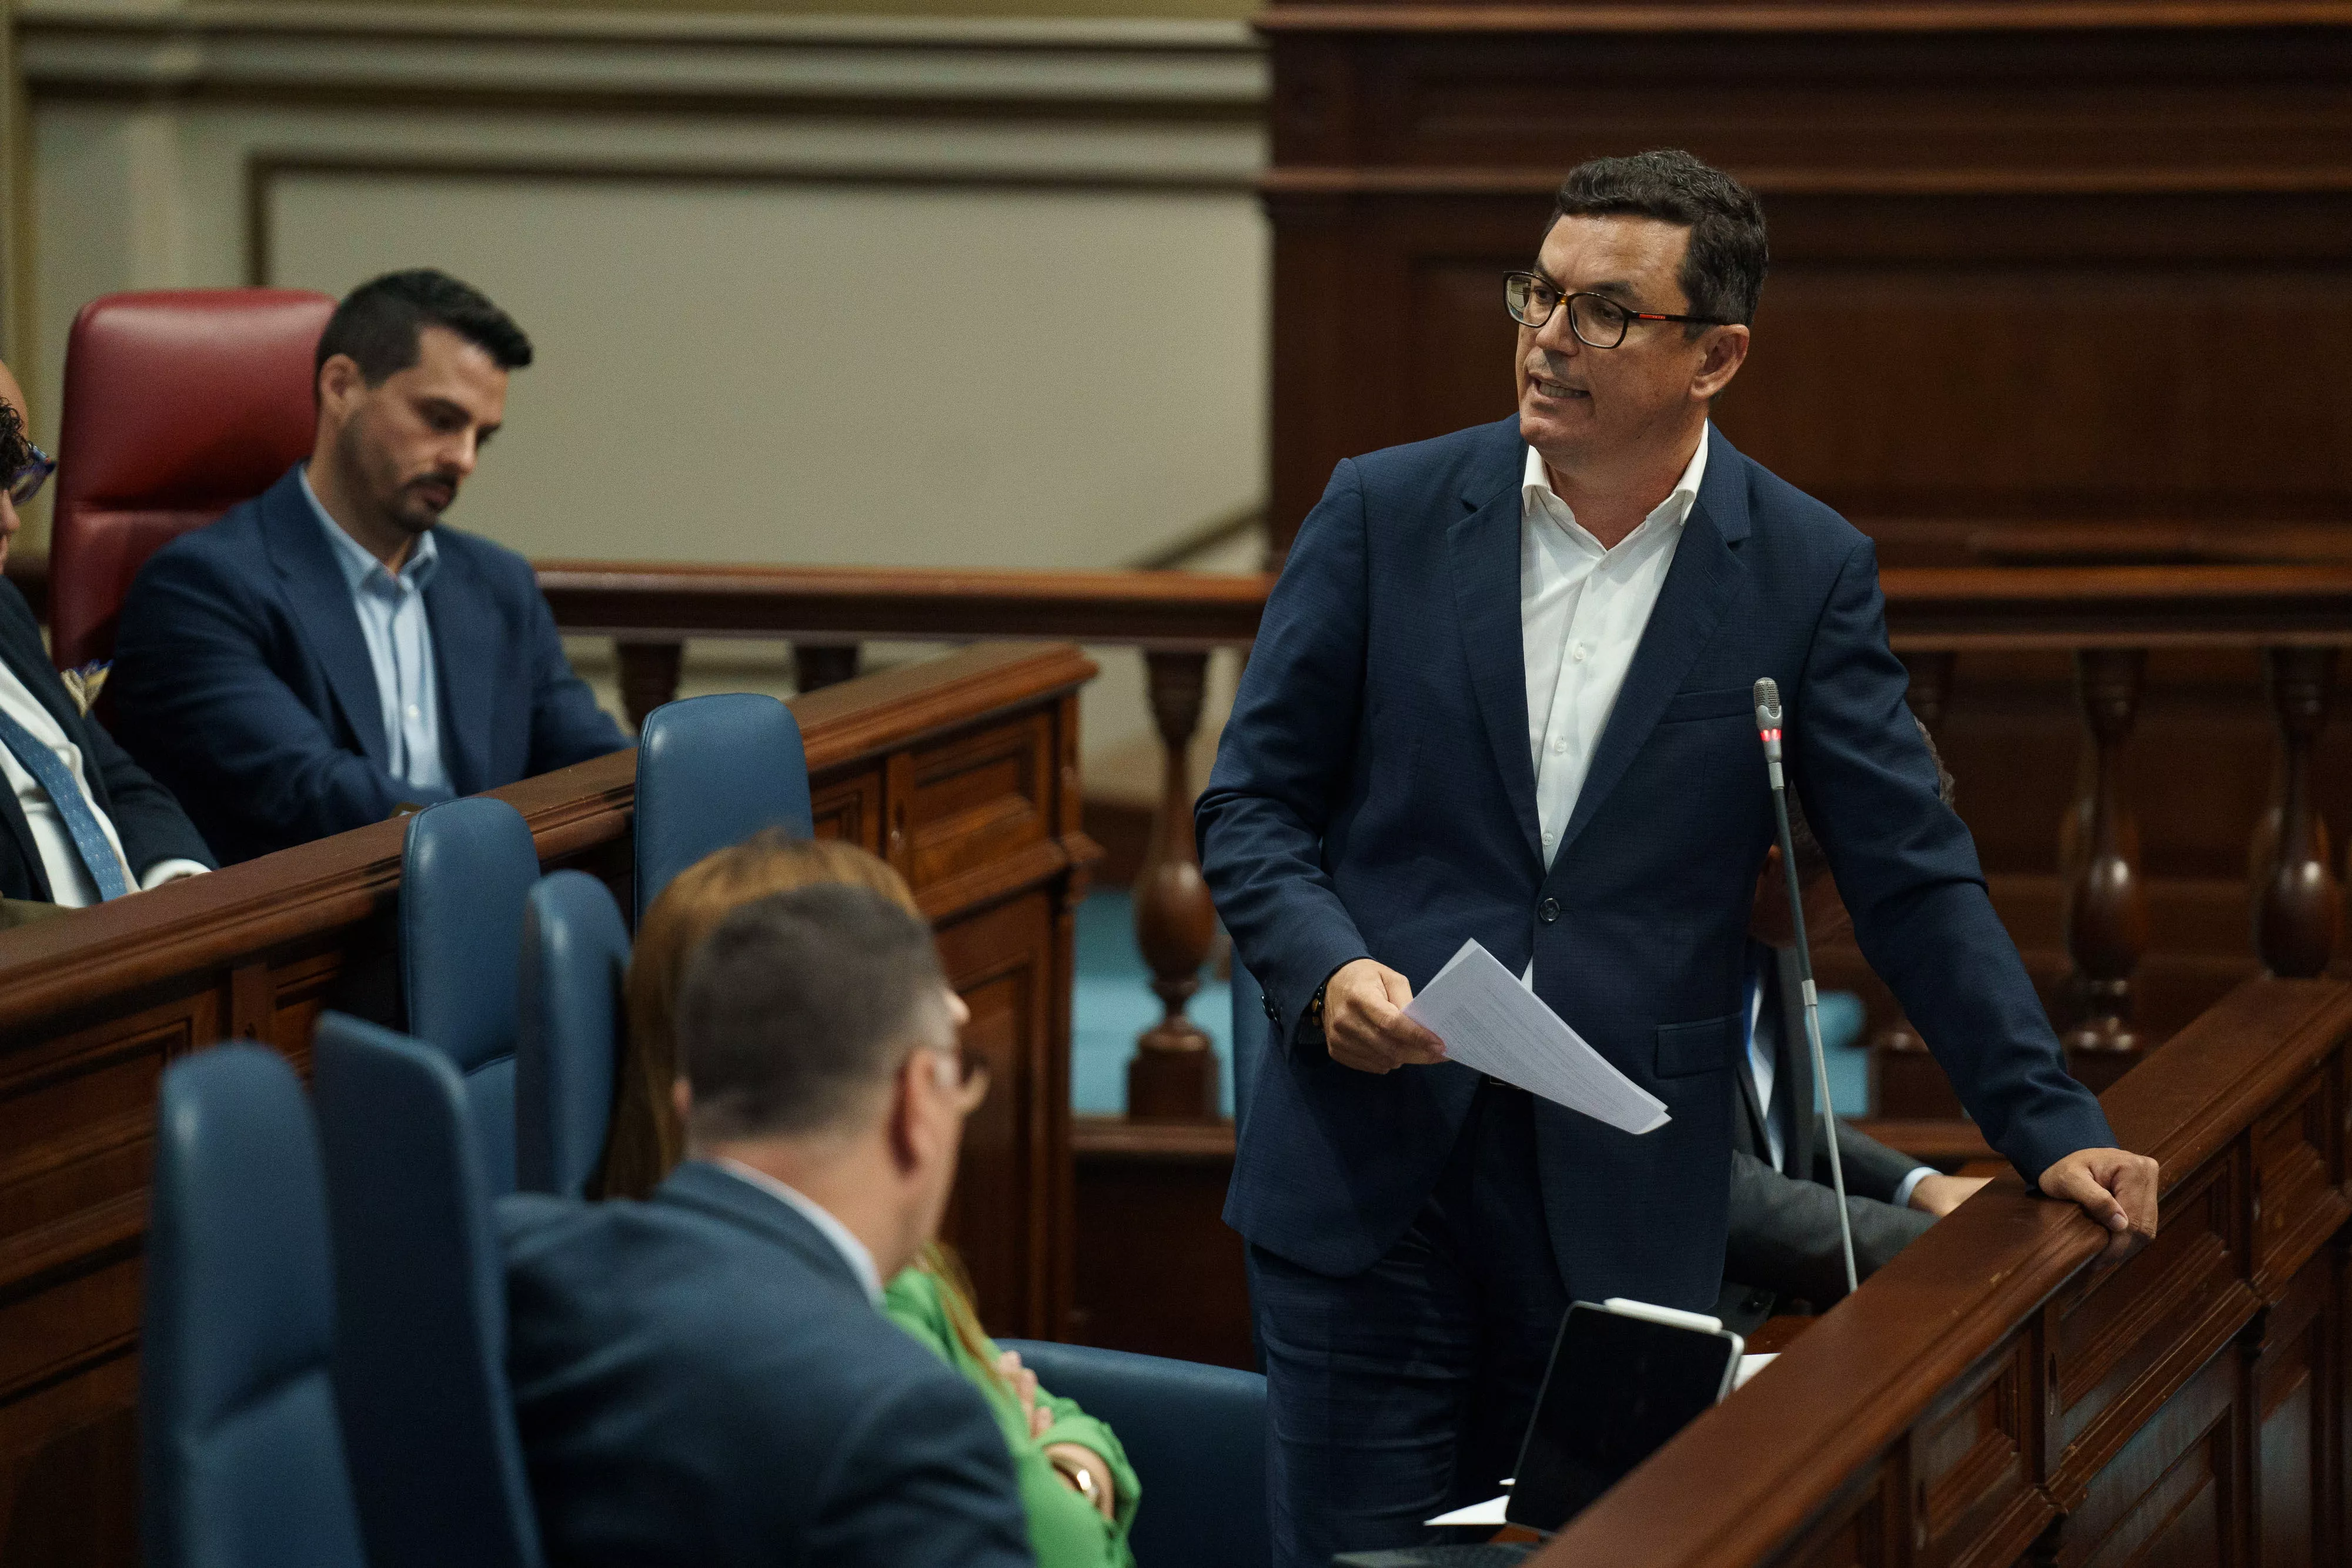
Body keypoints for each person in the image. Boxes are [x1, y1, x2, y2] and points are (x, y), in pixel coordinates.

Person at [1195, 148, 2160, 1564]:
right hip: (1368, 1170)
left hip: (1619, 1197)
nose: (1546, 338)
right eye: (1537, 294)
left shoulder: (1798, 568)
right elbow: (1250, 808)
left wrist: (2051, 1125)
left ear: (1715, 356)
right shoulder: (1384, 512)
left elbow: (1909, 873)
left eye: (1601, 313)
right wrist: (1325, 966)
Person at [598, 831, 1140, 1568]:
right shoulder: (880, 1362)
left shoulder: (590, 1279)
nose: (953, 1007)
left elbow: (1060, 1416)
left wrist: (1056, 1451)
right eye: (910, 984)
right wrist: (1034, 1445)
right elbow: (1067, 1550)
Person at [501, 882, 1032, 1567]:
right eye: (963, 1080)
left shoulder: (509, 1261)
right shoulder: (904, 1422)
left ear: (688, 1104)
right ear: (916, 1103)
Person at [109, 269, 626, 864]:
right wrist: (496, 837)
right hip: (309, 937)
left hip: (494, 908)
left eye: (482, 437)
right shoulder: (200, 589)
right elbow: (311, 790)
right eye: (440, 419)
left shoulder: (498, 584)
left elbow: (587, 754)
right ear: (340, 387)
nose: (463, 460)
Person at [1718, 727, 1990, 1330]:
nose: (1873, 909)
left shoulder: (1775, 932)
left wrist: (1916, 1186)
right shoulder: (1658, 961)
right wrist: (1937, 1248)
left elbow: (1773, 1124)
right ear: (1772, 868)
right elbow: (1703, 1179)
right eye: (1860, 882)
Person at [0, 359, 213, 918]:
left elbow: (114, 780)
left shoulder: (5, 610)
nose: (11, 520)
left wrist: (180, 884)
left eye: (11, 480)